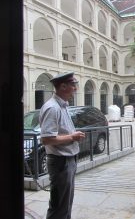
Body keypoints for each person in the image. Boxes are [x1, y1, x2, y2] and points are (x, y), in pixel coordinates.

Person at [39, 72, 85, 219]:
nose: (75, 89)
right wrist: (72, 136)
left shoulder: (62, 106)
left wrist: (72, 134)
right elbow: (46, 139)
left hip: (67, 161)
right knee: (59, 207)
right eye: (73, 85)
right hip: (61, 163)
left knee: (65, 205)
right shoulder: (52, 108)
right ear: (63, 86)